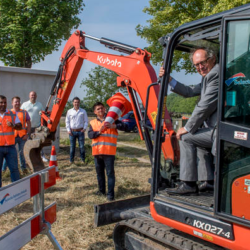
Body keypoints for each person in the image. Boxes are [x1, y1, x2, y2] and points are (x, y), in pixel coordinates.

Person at [159, 47, 219, 195]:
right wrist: (169, 79)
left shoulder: (215, 75)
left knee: (186, 138)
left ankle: (188, 183)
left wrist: (187, 127)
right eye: (196, 65)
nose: (200, 67)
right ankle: (209, 181)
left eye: (203, 62)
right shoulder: (207, 77)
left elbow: (204, 106)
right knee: (196, 138)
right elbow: (189, 91)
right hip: (216, 129)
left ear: (213, 59)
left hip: (220, 130)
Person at [88, 102, 128, 201]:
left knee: (110, 174)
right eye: (98, 109)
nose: (100, 110)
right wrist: (99, 132)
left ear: (105, 109)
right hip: (97, 153)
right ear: (94, 112)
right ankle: (101, 191)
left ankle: (110, 195)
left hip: (109, 152)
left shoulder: (113, 119)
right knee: (99, 173)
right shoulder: (92, 122)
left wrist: (114, 126)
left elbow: (125, 126)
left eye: (102, 108)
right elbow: (90, 135)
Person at [2, 97, 31, 174]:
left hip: (22, 136)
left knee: (22, 153)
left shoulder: (24, 112)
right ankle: (3, 170)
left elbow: (28, 123)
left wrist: (27, 134)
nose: (17, 103)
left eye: (18, 102)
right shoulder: (8, 112)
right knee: (7, 153)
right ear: (12, 103)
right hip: (12, 137)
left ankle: (23, 169)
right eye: (15, 102)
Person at [0, 95, 22, 188]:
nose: (3, 104)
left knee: (14, 169)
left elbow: (20, 126)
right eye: (1, 102)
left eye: (5, 102)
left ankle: (17, 190)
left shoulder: (12, 114)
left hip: (10, 147)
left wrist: (13, 125)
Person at [21, 91, 48, 162]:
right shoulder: (25, 104)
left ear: (36, 96)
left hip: (37, 127)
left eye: (34, 95)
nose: (33, 96)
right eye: (31, 95)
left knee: (39, 142)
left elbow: (43, 114)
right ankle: (27, 158)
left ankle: (42, 156)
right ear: (29, 96)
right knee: (28, 143)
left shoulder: (39, 104)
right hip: (28, 128)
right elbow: (21, 115)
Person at [65, 97, 88, 163]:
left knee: (82, 146)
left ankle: (82, 160)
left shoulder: (83, 111)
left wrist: (84, 128)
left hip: (80, 131)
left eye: (77, 102)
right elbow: (67, 121)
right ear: (73, 103)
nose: (76, 103)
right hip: (72, 132)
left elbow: (86, 121)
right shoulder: (69, 111)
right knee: (72, 147)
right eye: (75, 102)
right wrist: (68, 130)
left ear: (79, 103)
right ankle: (71, 160)